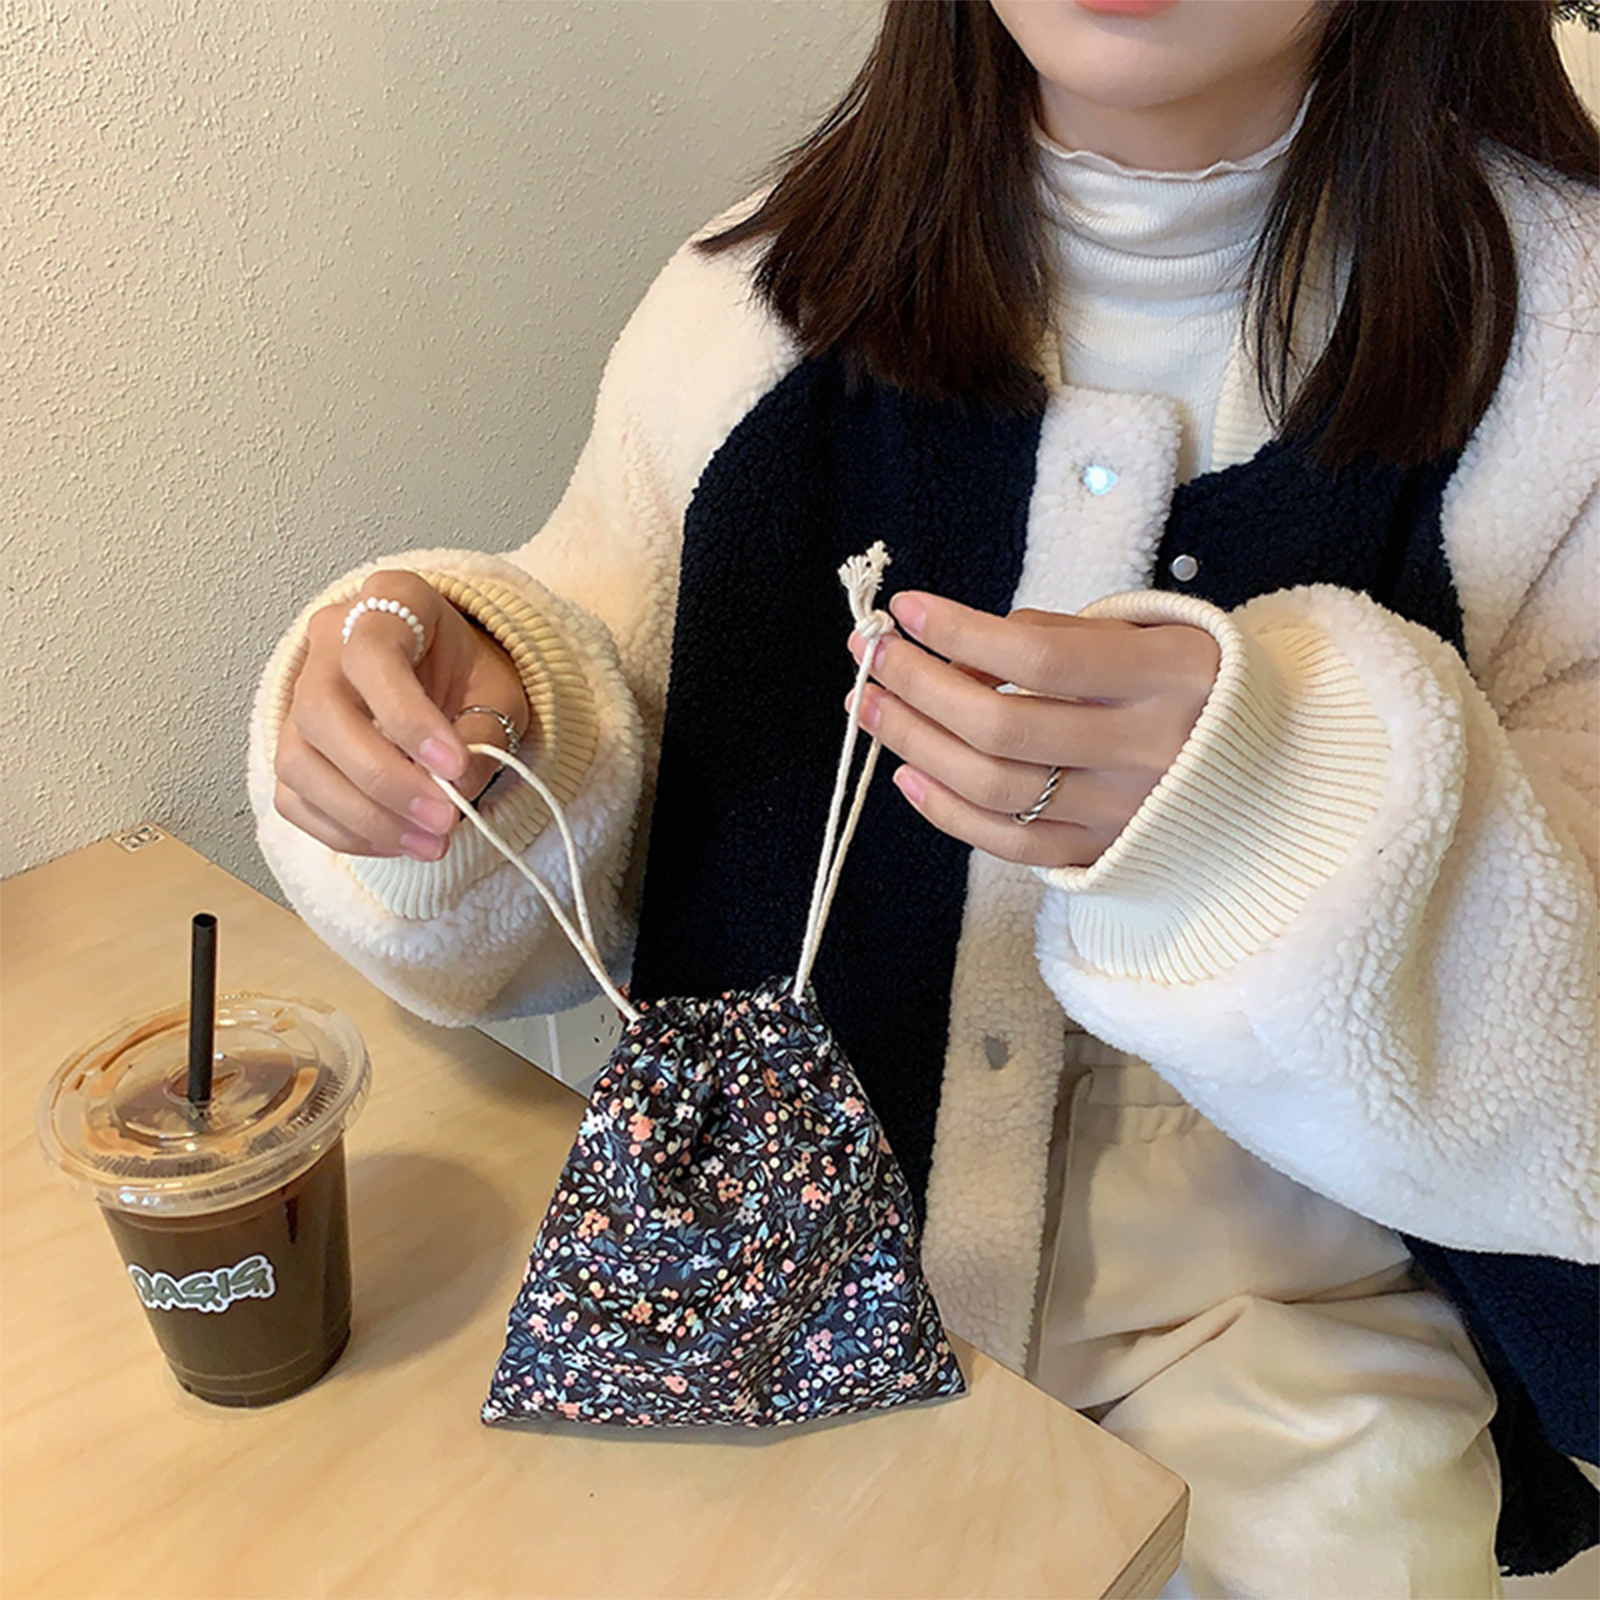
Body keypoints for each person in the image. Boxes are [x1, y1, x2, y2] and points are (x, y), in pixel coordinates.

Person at [251, 2, 1599, 1594]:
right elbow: (582, 818)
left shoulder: (1564, 348)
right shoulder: (748, 310)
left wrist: (1278, 810)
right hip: (765, 1302)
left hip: (1308, 1356)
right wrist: (454, 730)